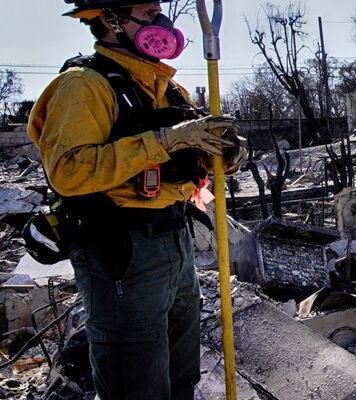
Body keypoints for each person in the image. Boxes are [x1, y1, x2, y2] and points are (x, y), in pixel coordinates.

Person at [27, 1, 247, 398]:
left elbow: (196, 155)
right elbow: (70, 171)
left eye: (159, 12)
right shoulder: (84, 85)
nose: (161, 22)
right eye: (147, 15)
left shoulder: (166, 87)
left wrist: (226, 153)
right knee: (136, 382)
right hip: (123, 247)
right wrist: (170, 139)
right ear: (111, 20)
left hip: (175, 238)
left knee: (181, 374)